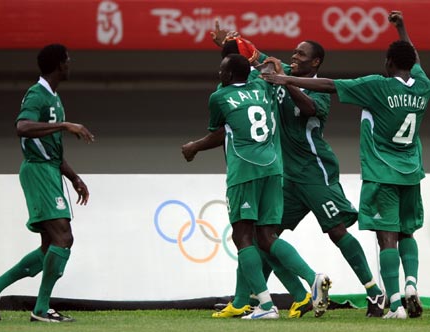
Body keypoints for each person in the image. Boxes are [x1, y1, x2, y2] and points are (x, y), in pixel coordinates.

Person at [183, 23, 385, 318]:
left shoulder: (316, 90)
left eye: (301, 54)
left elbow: (310, 110)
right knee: (266, 237)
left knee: (336, 230)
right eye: (294, 52)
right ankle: (249, 299)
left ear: (315, 62)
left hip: (314, 171)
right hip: (283, 175)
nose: (294, 56)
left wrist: (285, 81)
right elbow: (249, 58)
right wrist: (227, 42)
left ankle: (375, 293)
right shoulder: (276, 74)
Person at [262, 10, 428, 319]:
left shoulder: (378, 85)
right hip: (411, 172)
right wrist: (402, 28)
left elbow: (328, 87)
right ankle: (410, 286)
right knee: (407, 234)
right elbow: (413, 60)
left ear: (388, 64)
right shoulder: (422, 85)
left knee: (384, 236)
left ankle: (388, 301)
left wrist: (284, 79)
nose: (294, 56)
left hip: (371, 172)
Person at [183, 40, 332, 320]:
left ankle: (264, 305)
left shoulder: (220, 96)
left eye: (221, 69)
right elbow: (267, 66)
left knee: (243, 237)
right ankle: (307, 286)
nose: (218, 73)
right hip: (274, 169)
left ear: (227, 74)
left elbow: (219, 131)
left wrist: (192, 147)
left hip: (244, 171)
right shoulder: (265, 84)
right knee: (266, 237)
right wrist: (265, 61)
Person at [0, 44, 95, 323]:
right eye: (68, 60)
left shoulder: (54, 97)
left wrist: (74, 177)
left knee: (49, 247)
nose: (70, 64)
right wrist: (65, 125)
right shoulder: (37, 93)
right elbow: (22, 126)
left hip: (50, 171)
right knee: (64, 238)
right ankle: (41, 309)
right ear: (59, 65)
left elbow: (53, 150)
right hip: (38, 172)